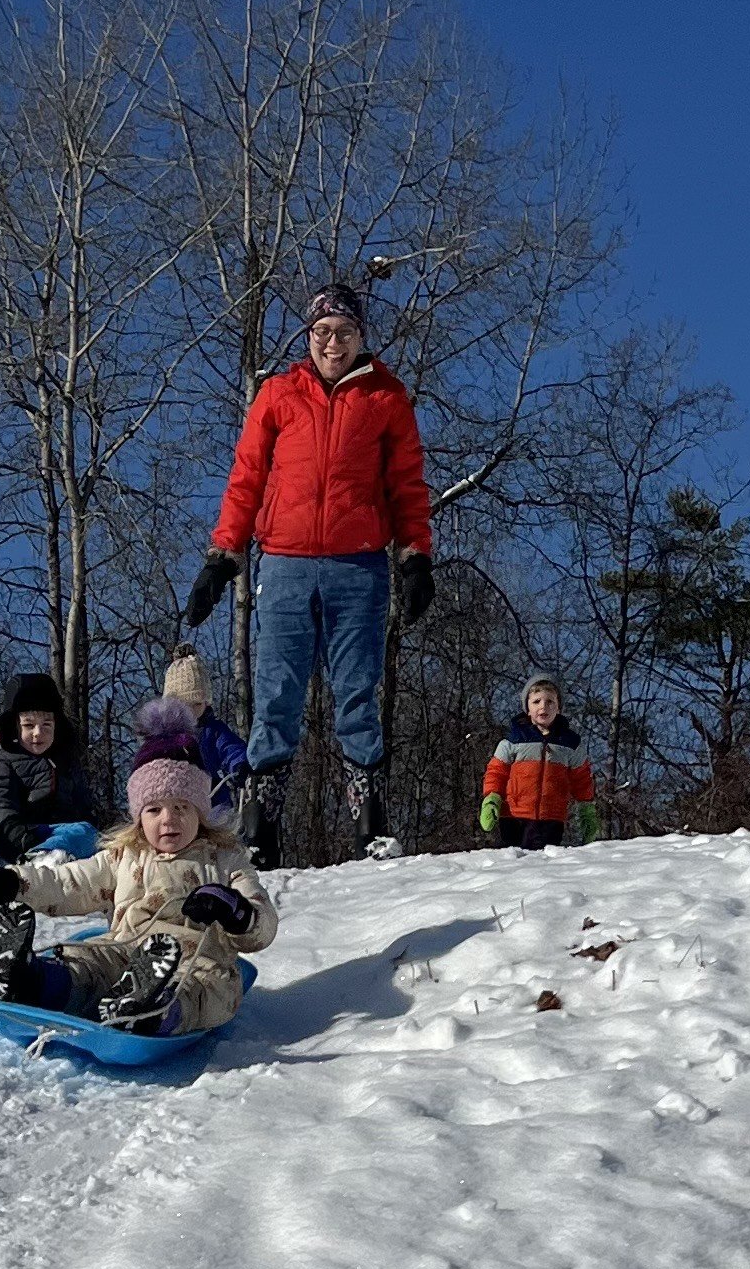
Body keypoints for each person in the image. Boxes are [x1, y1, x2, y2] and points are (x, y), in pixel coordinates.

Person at [183, 280, 434, 867]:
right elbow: (246, 478)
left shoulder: (386, 397)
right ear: (308, 336)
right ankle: (260, 832)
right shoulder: (278, 395)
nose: (333, 342)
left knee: (357, 692)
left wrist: (416, 555)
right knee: (276, 693)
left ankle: (369, 828)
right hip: (287, 564)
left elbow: (406, 485)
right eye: (322, 331)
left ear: (360, 337)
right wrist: (223, 557)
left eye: (344, 332)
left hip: (359, 565)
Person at [0, 697, 276, 1035]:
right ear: (139, 817)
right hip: (125, 952)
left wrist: (235, 911)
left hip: (195, 960)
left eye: (182, 808)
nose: (169, 820)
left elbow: (263, 923)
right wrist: (3, 882)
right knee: (87, 959)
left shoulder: (225, 860)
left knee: (212, 992)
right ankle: (28, 981)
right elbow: (68, 882)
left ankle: (154, 1012)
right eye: (154, 810)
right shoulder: (124, 856)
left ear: (200, 812)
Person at [0, 671, 101, 865]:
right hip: (3, 831)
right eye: (29, 725)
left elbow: (82, 802)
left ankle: (45, 859)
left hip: (48, 834)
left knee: (86, 832)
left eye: (46, 725)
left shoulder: (66, 760)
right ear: (15, 726)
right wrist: (13, 828)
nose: (38, 733)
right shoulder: (4, 755)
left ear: (57, 726)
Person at [479, 676, 599, 851]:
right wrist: (492, 798)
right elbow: (496, 772)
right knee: (512, 859)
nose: (543, 706)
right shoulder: (513, 741)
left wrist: (586, 809)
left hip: (551, 817)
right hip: (513, 815)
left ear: (558, 708)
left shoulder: (570, 744)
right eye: (536, 701)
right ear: (527, 708)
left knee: (541, 864)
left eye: (550, 701)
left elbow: (582, 779)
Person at [161, 645, 250, 823]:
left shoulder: (213, 730)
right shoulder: (165, 737)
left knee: (221, 828)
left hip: (213, 799)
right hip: (177, 800)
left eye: (198, 704)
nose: (192, 711)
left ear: (206, 703)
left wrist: (241, 765)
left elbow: (230, 747)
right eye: (185, 705)